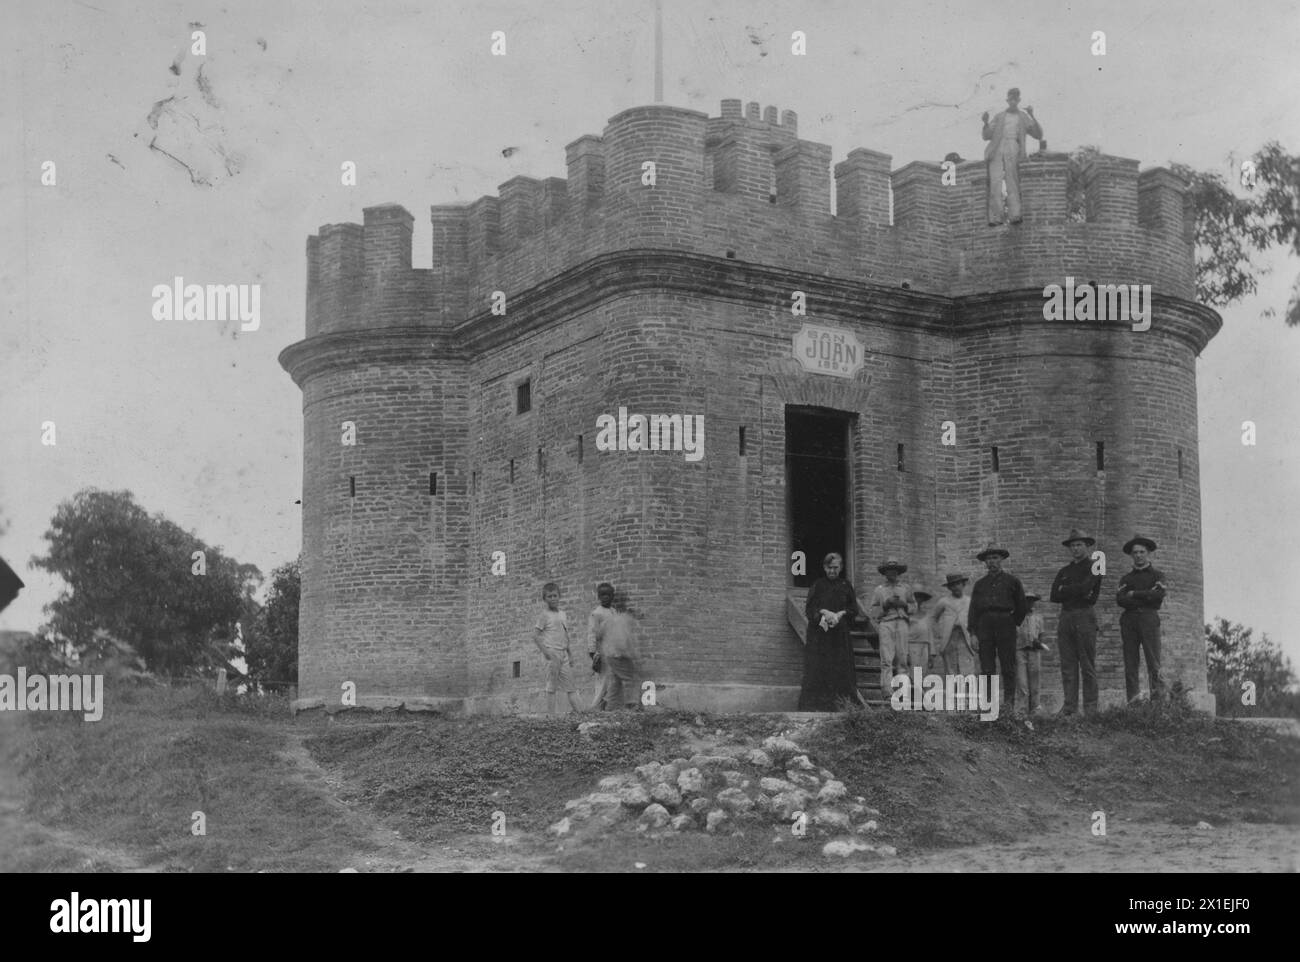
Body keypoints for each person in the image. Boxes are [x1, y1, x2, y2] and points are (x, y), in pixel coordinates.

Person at [799, 552, 866, 711]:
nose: (832, 571)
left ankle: (841, 706)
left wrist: (840, 614)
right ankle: (817, 707)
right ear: (824, 567)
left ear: (841, 568)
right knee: (818, 668)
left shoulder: (846, 586)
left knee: (840, 669)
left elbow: (853, 610)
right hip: (820, 637)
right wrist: (824, 613)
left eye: (835, 568)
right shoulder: (818, 585)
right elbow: (810, 609)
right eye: (829, 568)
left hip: (839, 637)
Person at [968, 545, 1028, 713]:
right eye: (989, 559)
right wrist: (973, 633)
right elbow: (973, 610)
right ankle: (989, 704)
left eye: (995, 558)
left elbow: (1022, 606)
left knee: (1008, 666)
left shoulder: (1012, 581)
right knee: (987, 666)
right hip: (984, 625)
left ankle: (1008, 704)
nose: (992, 561)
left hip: (1005, 623)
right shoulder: (980, 585)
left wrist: (1012, 622)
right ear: (985, 562)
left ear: (1001, 559)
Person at [1050, 528, 1102, 716]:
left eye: (1079, 545)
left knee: (1087, 665)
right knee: (1068, 665)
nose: (1075, 549)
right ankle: (1070, 707)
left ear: (1087, 546)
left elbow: (1087, 589)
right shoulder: (1064, 570)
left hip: (1084, 616)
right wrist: (1077, 589)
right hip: (1066, 617)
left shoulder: (1095, 566)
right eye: (1072, 546)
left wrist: (1067, 589)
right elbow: (1054, 595)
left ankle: (1090, 709)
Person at [1117, 535, 1168, 704]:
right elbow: (1120, 600)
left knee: (1154, 662)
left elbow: (1158, 596)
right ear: (1131, 555)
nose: (1138, 555)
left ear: (1148, 553)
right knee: (1130, 663)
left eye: (1142, 552)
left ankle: (1157, 703)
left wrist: (1135, 594)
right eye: (1135, 552)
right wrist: (1147, 595)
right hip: (1129, 621)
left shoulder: (1157, 576)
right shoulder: (1126, 579)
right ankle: (1134, 702)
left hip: (1149, 618)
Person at [981, 87, 1043, 225]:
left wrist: (1032, 115)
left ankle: (1015, 214)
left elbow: (1038, 135)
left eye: (1016, 99)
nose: (1013, 101)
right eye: (1011, 98)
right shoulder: (999, 116)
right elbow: (986, 136)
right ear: (1007, 100)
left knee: (1012, 180)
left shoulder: (1023, 117)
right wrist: (985, 123)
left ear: (1019, 100)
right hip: (997, 147)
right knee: (995, 180)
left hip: (1013, 147)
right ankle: (996, 217)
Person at [533, 582, 582, 714]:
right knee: (551, 686)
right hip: (551, 653)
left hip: (563, 653)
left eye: (555, 595)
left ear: (559, 596)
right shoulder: (544, 615)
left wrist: (570, 654)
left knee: (571, 686)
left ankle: (580, 714)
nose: (553, 598)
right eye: (549, 596)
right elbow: (536, 636)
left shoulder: (562, 614)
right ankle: (551, 717)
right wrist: (546, 652)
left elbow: (565, 635)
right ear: (545, 599)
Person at [869, 559, 916, 691]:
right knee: (886, 659)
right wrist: (886, 604)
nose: (892, 573)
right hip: (886, 623)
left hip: (902, 623)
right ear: (885, 573)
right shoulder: (879, 590)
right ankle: (887, 691)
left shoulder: (905, 588)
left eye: (895, 571)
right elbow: (873, 611)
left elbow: (914, 606)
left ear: (898, 572)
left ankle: (903, 691)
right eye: (889, 571)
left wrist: (905, 605)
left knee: (902, 658)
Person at [927, 573, 978, 690]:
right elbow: (932, 617)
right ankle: (954, 703)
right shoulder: (944, 601)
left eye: (958, 584)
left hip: (965, 639)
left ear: (963, 584)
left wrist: (975, 636)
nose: (956, 587)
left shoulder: (969, 601)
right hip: (949, 640)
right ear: (949, 588)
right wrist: (939, 632)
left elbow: (976, 620)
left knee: (967, 671)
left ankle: (968, 702)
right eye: (952, 585)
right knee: (952, 671)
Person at [598, 591, 640, 710]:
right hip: (619, 655)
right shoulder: (624, 619)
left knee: (616, 681)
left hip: (610, 655)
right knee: (631, 679)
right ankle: (631, 705)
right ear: (625, 604)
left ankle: (607, 706)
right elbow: (623, 640)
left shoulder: (609, 620)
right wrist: (632, 654)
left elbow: (599, 635)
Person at [1016, 592, 1047, 716]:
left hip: (1034, 652)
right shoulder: (1016, 617)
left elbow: (1041, 635)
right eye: (1026, 600)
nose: (1029, 603)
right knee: (1022, 682)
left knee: (1035, 681)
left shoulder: (1038, 617)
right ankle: (1022, 710)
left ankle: (1035, 708)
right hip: (1020, 651)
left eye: (1031, 601)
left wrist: (1038, 643)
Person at [587, 582, 616, 710]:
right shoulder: (596, 613)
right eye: (602, 595)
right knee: (602, 683)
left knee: (612, 681)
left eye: (608, 595)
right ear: (598, 597)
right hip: (602, 652)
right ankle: (594, 709)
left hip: (613, 651)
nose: (605, 597)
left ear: (612, 596)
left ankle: (605, 708)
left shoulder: (613, 611)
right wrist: (593, 654)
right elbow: (592, 633)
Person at [908, 585, 936, 672]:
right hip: (911, 645)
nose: (918, 600)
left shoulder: (927, 616)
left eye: (920, 597)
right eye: (916, 597)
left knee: (922, 673)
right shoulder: (907, 616)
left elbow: (930, 634)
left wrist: (931, 653)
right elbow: (902, 635)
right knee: (912, 673)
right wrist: (905, 653)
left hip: (924, 647)